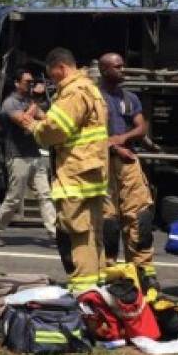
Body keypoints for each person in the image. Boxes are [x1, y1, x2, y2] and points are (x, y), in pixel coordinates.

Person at [27, 47, 108, 293]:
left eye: (53, 75)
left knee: (77, 233)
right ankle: (98, 285)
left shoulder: (73, 91)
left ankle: (83, 292)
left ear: (61, 68)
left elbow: (56, 129)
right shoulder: (91, 89)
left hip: (75, 173)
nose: (53, 81)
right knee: (93, 233)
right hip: (91, 172)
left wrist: (34, 127)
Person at [97, 52, 157, 289]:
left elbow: (141, 127)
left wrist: (122, 139)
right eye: (117, 67)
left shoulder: (129, 98)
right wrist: (112, 147)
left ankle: (143, 272)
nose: (123, 70)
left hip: (128, 162)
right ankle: (110, 272)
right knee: (108, 222)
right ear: (104, 70)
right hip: (102, 164)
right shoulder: (93, 97)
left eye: (122, 66)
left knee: (140, 217)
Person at [0, 68, 58, 245]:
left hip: (34, 153)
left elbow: (45, 118)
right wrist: (37, 100)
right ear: (17, 83)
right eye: (27, 82)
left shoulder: (29, 101)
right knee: (14, 197)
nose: (31, 85)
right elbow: (24, 121)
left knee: (45, 194)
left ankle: (54, 233)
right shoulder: (10, 103)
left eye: (32, 82)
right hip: (17, 155)